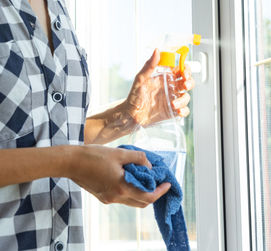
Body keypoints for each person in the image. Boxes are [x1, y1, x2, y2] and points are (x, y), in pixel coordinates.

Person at [0, 0, 194, 250]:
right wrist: (72, 162)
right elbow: (64, 154)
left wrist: (127, 117)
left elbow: (48, 136)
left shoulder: (58, 7)